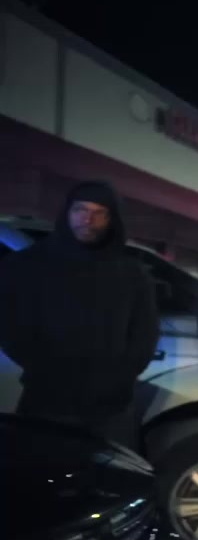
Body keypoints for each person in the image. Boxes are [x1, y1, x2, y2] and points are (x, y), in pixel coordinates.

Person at [0, 181, 157, 451]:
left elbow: (145, 331)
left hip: (111, 406)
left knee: (106, 475)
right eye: (80, 209)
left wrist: (122, 376)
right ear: (67, 212)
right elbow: (8, 325)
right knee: (44, 470)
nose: (88, 219)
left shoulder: (131, 273)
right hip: (47, 399)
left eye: (99, 213)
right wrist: (43, 368)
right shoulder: (27, 265)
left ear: (112, 219)